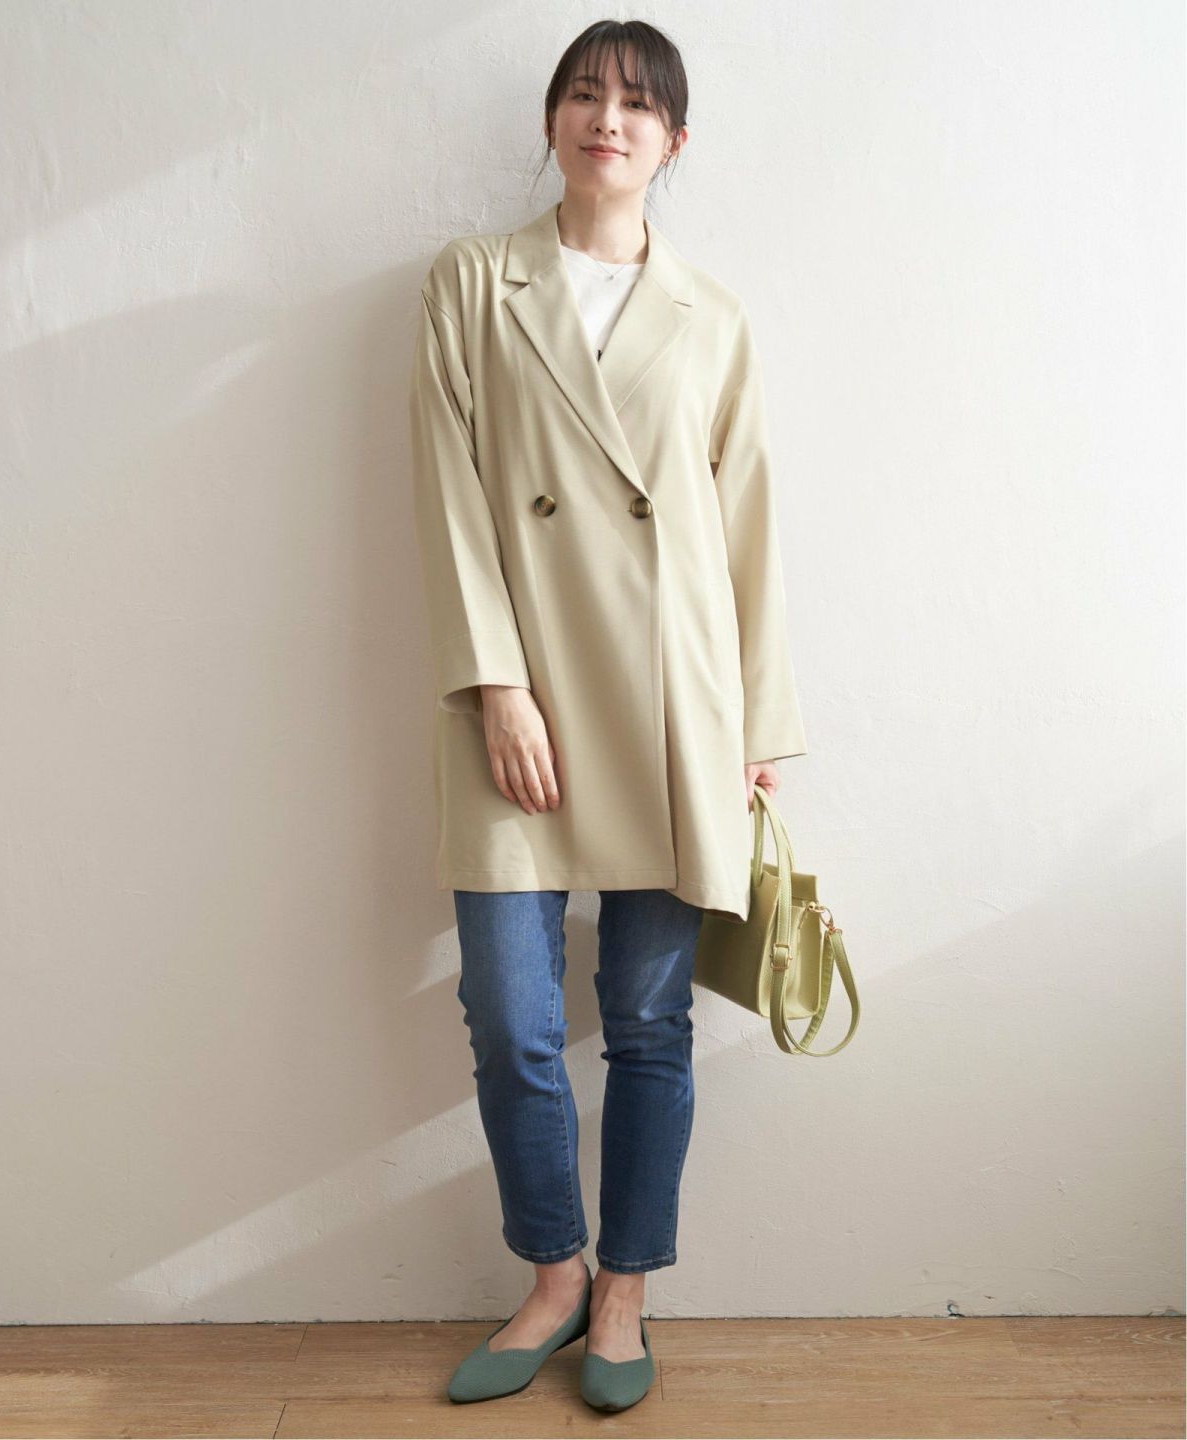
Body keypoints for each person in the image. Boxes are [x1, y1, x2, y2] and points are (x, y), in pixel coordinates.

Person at [408, 19, 807, 1413]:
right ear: (552, 119)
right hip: (511, 693)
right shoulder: (473, 283)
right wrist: (497, 683)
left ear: (673, 142)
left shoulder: (713, 316)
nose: (608, 119)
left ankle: (625, 1291)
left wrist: (753, 729)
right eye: (585, 94)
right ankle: (553, 1273)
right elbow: (450, 492)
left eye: (638, 105)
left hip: (669, 700)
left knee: (645, 1024)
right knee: (510, 1016)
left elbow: (746, 532)